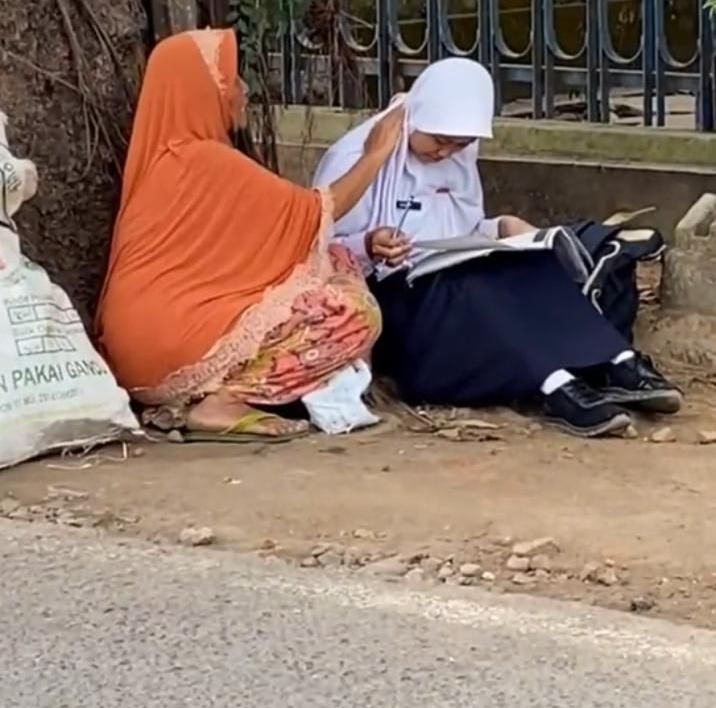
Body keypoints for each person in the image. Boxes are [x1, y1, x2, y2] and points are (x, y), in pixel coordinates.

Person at [313, 58, 682, 438]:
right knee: (470, 288)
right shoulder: (358, 155)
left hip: (446, 271)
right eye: (439, 140)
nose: (446, 153)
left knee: (531, 266)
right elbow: (320, 245)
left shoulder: (455, 158)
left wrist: (501, 229)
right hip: (399, 304)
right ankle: (555, 386)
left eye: (461, 144)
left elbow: (461, 228)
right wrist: (370, 244)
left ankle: (615, 360)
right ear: (419, 118)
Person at [96, 29, 403, 441]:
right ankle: (222, 402)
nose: (243, 91)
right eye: (231, 80)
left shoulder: (169, 160)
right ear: (202, 89)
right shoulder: (204, 159)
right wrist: (377, 154)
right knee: (356, 314)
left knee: (337, 260)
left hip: (138, 355)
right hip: (168, 353)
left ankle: (207, 397)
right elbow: (318, 212)